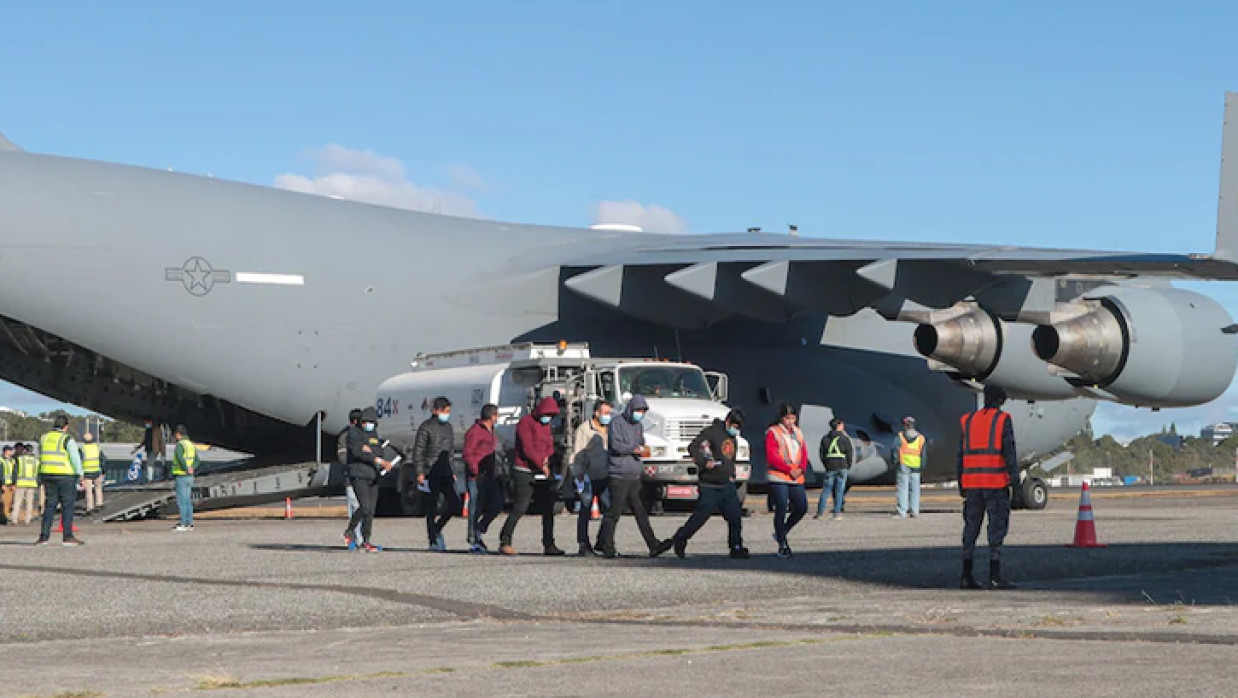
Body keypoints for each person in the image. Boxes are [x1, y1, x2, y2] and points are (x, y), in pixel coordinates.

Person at [657, 409, 749, 559]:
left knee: (735, 517)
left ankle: (736, 546)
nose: (736, 430)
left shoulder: (733, 438)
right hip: (710, 485)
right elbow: (693, 447)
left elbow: (730, 458)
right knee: (699, 518)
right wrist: (704, 463)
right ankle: (680, 538)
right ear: (727, 422)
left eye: (739, 427)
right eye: (734, 426)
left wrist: (732, 474)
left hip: (726, 484)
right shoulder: (711, 432)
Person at [958, 385, 1020, 590]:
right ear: (1000, 401)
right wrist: (1016, 483)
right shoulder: (1003, 420)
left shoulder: (968, 420)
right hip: (995, 483)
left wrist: (961, 482)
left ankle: (966, 575)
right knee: (996, 529)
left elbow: (961, 454)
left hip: (972, 484)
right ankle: (994, 576)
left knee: (970, 530)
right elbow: (1009, 452)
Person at [597, 395, 669, 558]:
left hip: (634, 475)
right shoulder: (616, 423)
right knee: (613, 513)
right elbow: (616, 445)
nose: (640, 414)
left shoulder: (639, 426)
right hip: (619, 474)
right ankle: (607, 545)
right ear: (630, 409)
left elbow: (640, 442)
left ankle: (653, 544)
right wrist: (634, 449)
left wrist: (643, 449)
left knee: (641, 512)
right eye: (638, 410)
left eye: (643, 411)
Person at [498, 397, 565, 556]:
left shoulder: (546, 425)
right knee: (521, 506)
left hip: (542, 472)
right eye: (546, 414)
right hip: (524, 470)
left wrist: (547, 460)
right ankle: (505, 540)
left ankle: (549, 544)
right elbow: (527, 448)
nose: (548, 418)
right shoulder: (525, 423)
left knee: (548, 508)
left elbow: (549, 445)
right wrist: (541, 464)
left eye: (551, 415)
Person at [344, 407, 394, 552]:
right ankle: (350, 530)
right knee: (364, 506)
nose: (368, 424)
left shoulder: (373, 433)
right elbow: (358, 452)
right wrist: (376, 458)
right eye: (365, 421)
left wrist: (372, 452)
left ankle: (367, 540)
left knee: (370, 510)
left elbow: (379, 450)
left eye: (371, 422)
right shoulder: (353, 433)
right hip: (358, 474)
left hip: (372, 474)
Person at [414, 396, 459, 552]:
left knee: (455, 504)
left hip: (445, 471)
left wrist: (452, 470)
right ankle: (433, 539)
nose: (447, 414)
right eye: (445, 411)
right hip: (430, 471)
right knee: (432, 507)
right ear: (436, 410)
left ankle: (437, 528)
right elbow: (418, 451)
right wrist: (420, 472)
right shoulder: (425, 427)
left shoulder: (448, 428)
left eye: (448, 411)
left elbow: (450, 452)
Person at [569, 400, 612, 556]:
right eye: (605, 413)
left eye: (609, 413)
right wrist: (578, 474)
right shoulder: (584, 429)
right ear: (596, 413)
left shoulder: (609, 429)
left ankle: (603, 541)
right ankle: (583, 544)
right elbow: (578, 453)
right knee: (585, 510)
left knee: (610, 509)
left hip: (605, 475)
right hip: (588, 476)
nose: (608, 416)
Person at [765, 402, 808, 558]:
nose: (791, 421)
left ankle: (782, 530)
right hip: (779, 476)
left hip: (797, 477)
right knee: (781, 509)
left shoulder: (798, 432)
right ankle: (783, 544)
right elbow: (772, 456)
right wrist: (789, 469)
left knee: (802, 507)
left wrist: (801, 468)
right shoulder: (773, 432)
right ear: (781, 418)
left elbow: (803, 452)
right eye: (787, 418)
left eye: (793, 418)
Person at [36, 415, 85, 546]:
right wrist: (80, 474)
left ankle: (43, 537)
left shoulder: (44, 438)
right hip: (65, 475)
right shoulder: (67, 439)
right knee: (67, 506)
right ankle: (67, 537)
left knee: (50, 506)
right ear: (66, 427)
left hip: (47, 474)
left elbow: (40, 455)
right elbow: (75, 458)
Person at [463, 403, 504, 553]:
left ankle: (480, 528)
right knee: (475, 508)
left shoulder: (491, 431)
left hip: (489, 475)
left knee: (497, 505)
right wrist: (475, 472)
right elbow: (468, 453)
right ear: (492, 416)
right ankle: (474, 540)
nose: (498, 418)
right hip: (477, 477)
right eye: (496, 415)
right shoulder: (475, 432)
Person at [815, 418, 854, 520]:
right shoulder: (845, 439)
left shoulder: (825, 438)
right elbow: (849, 453)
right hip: (842, 466)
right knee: (839, 490)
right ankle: (837, 513)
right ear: (839, 425)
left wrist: (826, 465)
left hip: (830, 466)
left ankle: (820, 513)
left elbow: (822, 454)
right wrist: (848, 465)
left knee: (826, 490)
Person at [337, 408, 365, 549]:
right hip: (351, 477)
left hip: (364, 477)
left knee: (364, 508)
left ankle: (362, 538)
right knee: (354, 507)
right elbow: (342, 456)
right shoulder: (345, 436)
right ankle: (355, 539)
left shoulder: (364, 434)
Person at [895, 415, 926, 518]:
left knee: (903, 489)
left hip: (903, 464)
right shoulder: (921, 438)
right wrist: (922, 465)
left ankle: (902, 511)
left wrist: (895, 461)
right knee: (915, 490)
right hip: (916, 466)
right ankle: (915, 511)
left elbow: (895, 450)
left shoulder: (900, 436)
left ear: (905, 425)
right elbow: (923, 454)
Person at [170, 424, 198, 531]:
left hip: (181, 475)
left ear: (178, 434)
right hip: (190, 477)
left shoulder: (180, 445)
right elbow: (197, 460)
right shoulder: (190, 444)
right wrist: (192, 468)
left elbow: (180, 459)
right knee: (188, 501)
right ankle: (189, 523)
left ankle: (182, 524)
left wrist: (186, 468)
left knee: (181, 501)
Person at [11, 444, 41, 525]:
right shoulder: (36, 460)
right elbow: (38, 473)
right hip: (32, 484)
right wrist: (38, 483)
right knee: (29, 502)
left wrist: (13, 483)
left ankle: (14, 519)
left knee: (17, 502)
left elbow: (15, 472)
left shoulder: (19, 459)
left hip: (21, 483)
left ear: (25, 450)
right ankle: (27, 520)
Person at [132, 417, 166, 482]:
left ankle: (150, 479)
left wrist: (162, 451)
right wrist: (138, 447)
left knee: (150, 464)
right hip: (148, 449)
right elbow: (145, 441)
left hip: (154, 450)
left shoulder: (157, 430)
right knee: (149, 464)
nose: (145, 424)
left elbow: (161, 441)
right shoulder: (147, 430)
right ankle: (149, 477)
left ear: (150, 422)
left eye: (146, 423)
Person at [80, 432, 105, 513]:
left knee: (89, 491)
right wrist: (104, 470)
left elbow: (79, 461)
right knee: (98, 488)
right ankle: (99, 503)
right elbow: (102, 459)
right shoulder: (97, 447)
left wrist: (80, 474)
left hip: (87, 472)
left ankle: (90, 507)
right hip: (97, 471)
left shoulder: (82, 449)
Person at [1, 444, 13, 525]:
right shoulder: (1, 460)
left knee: (8, 502)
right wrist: (2, 484)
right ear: (6, 451)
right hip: (4, 484)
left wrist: (13, 483)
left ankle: (6, 516)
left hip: (10, 484)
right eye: (10, 451)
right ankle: (4, 518)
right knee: (4, 502)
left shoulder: (11, 460)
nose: (11, 452)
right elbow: (1, 473)